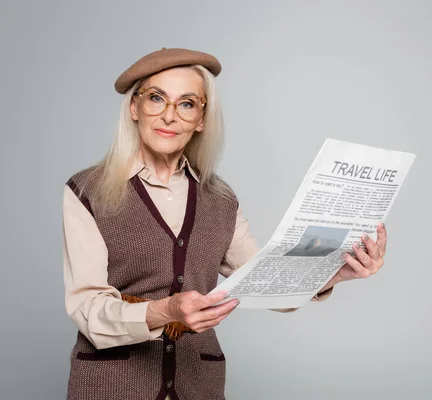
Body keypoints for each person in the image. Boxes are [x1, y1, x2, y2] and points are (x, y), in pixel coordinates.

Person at [62, 47, 388, 400]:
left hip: (198, 386)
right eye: (156, 99)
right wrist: (166, 311)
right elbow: (88, 309)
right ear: (134, 107)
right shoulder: (87, 191)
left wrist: (334, 273)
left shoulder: (220, 198)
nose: (169, 116)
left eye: (186, 103)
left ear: (201, 118)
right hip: (112, 387)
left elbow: (264, 282)